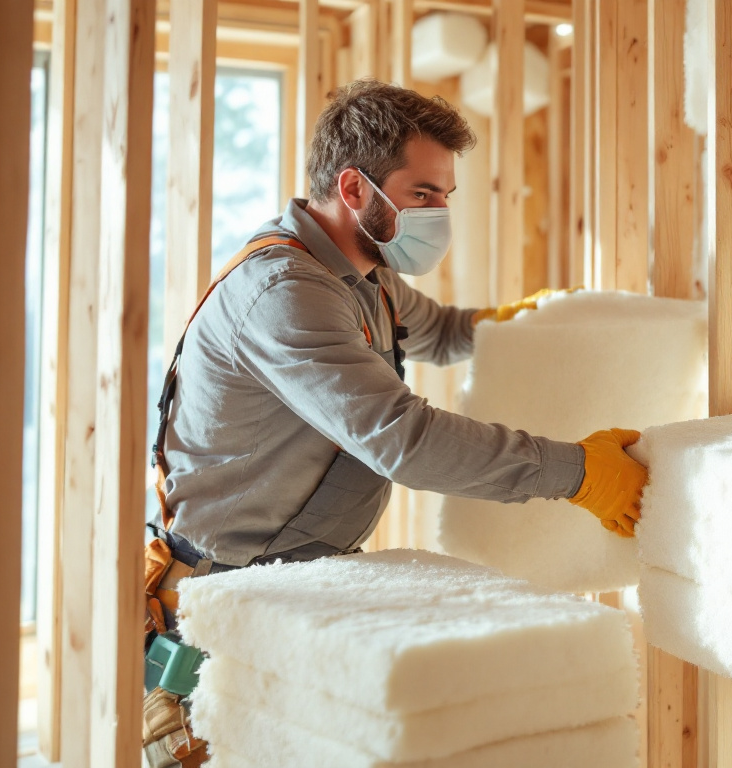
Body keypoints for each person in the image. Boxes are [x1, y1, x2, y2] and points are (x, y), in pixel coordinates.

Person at [140, 79, 647, 768]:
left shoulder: (363, 272)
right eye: (424, 195)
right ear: (355, 189)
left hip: (288, 588)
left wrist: (527, 323)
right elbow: (403, 440)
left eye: (447, 196)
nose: (440, 213)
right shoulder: (287, 293)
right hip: (216, 607)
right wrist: (580, 473)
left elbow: (436, 331)